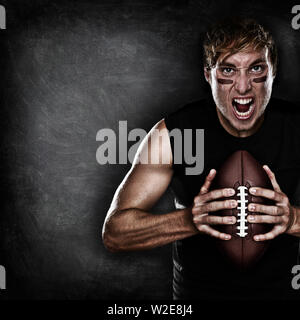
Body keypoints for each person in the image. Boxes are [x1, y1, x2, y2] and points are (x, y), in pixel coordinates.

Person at [102, 17, 300, 300]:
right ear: (208, 75)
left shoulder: (295, 127)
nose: (243, 87)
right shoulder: (173, 133)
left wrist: (292, 219)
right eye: (228, 70)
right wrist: (190, 220)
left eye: (256, 68)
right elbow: (115, 233)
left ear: (273, 72)